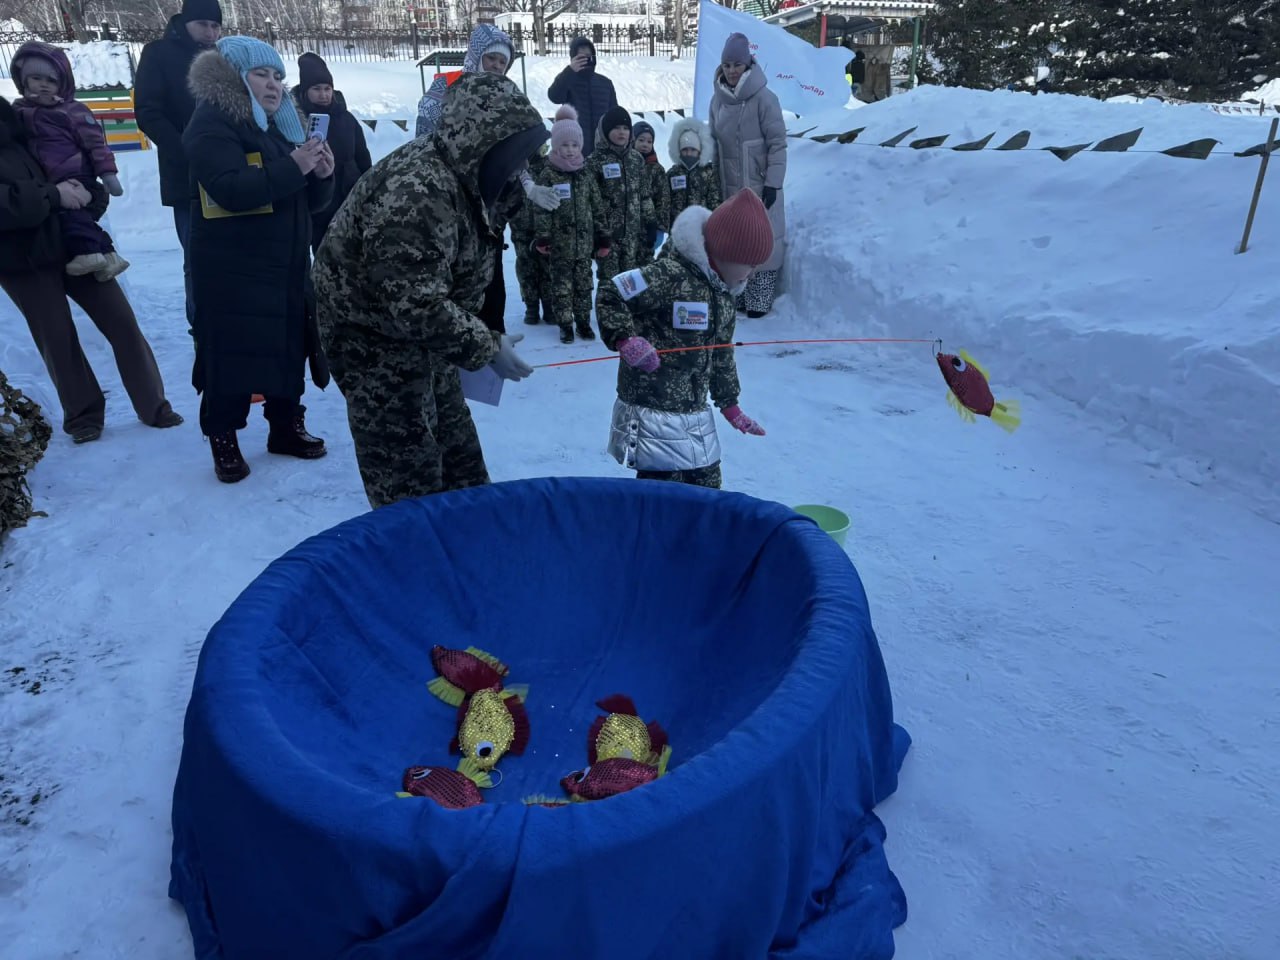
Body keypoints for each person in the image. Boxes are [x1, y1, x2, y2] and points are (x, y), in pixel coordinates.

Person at [313, 72, 540, 509]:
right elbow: (415, 304)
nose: (523, 165)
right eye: (516, 153)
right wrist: (485, 344)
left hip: (429, 334)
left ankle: (469, 537)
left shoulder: (470, 175)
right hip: (370, 337)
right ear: (484, 142)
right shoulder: (415, 192)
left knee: (459, 456)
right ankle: (414, 547)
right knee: (407, 469)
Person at [183, 36, 336, 483]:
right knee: (231, 352)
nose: (273, 85)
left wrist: (320, 176)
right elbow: (230, 190)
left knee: (288, 346)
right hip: (232, 268)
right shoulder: (211, 124)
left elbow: (304, 203)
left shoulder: (279, 126)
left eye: (277, 76)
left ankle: (285, 426)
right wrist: (295, 166)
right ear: (233, 77)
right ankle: (223, 436)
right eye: (260, 75)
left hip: (284, 263)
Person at [0, 96, 182, 444]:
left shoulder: (22, 118)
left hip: (72, 243)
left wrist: (91, 195)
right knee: (57, 338)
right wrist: (53, 195)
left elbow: (70, 163)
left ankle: (154, 405)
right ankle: (83, 417)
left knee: (122, 321)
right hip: (21, 260)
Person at [596, 188, 774, 490]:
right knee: (664, 493)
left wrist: (731, 407)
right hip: (653, 407)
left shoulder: (723, 295)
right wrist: (626, 340)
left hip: (693, 410)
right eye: (750, 264)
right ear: (725, 254)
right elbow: (611, 292)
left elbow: (721, 355)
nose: (753, 273)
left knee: (708, 485)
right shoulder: (668, 275)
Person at [415, 24, 558, 334]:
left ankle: (494, 337)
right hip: (451, 204)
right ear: (476, 55)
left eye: (502, 62)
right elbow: (425, 142)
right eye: (491, 58)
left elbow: (515, 149)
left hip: (491, 206)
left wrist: (528, 185)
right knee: (456, 278)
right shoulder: (445, 87)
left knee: (491, 276)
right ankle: (462, 340)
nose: (496, 66)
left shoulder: (507, 95)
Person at [134, 0, 222, 333]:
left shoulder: (223, 55)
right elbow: (148, 112)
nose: (210, 33)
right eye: (203, 24)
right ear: (185, 22)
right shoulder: (158, 54)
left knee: (232, 252)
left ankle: (231, 325)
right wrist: (187, 149)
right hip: (186, 176)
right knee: (197, 257)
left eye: (216, 26)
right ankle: (202, 329)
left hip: (229, 169)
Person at [9, 42, 129, 281]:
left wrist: (107, 174)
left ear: (62, 83)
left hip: (75, 172)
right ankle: (109, 255)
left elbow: (96, 143)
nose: (43, 85)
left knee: (70, 213)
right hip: (48, 177)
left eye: (51, 80)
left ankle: (88, 253)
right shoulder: (19, 111)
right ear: (23, 81)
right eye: (36, 78)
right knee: (80, 216)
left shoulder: (71, 111)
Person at [709, 32, 787, 318]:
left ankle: (760, 296)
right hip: (728, 185)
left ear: (748, 65)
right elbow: (712, 141)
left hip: (759, 183)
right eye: (727, 65)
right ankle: (739, 292)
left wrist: (773, 183)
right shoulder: (717, 100)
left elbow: (777, 144)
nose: (731, 71)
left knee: (763, 237)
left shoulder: (765, 98)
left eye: (737, 65)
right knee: (736, 239)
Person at [532, 104, 609, 344]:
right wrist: (543, 236)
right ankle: (565, 324)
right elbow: (541, 209)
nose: (570, 150)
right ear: (556, 145)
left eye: (575, 145)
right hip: (560, 246)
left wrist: (602, 236)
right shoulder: (548, 174)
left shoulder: (585, 173)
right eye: (565, 145)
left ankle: (583, 322)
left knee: (584, 285)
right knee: (562, 288)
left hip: (584, 246)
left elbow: (597, 207)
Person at [293, 51, 371, 253]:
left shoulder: (347, 119)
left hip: (350, 198)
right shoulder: (296, 120)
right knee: (324, 253)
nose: (323, 94)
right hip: (318, 203)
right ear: (305, 91)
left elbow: (363, 157)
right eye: (316, 89)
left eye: (327, 88)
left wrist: (369, 190)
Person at [588, 105, 652, 288]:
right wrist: (598, 234)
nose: (621, 132)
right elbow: (591, 202)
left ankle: (628, 307)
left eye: (625, 128)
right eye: (616, 128)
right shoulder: (595, 161)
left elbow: (645, 194)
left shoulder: (636, 159)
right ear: (606, 131)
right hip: (607, 238)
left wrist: (650, 222)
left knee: (631, 282)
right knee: (609, 282)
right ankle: (609, 307)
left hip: (633, 236)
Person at [547, 37, 617, 152]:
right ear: (573, 58)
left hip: (602, 148)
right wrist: (570, 71)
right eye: (581, 57)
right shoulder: (567, 80)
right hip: (575, 148)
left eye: (588, 56)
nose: (585, 60)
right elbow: (554, 97)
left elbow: (614, 114)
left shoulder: (605, 83)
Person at [665, 117, 721, 235]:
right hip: (677, 230)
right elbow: (665, 201)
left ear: (700, 151)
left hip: (702, 231)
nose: (689, 153)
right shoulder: (672, 174)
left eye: (693, 149)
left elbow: (715, 202)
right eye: (685, 149)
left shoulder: (709, 173)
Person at [630, 120, 667, 262]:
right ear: (632, 140)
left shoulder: (657, 169)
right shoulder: (626, 165)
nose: (645, 144)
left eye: (649, 141)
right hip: (628, 227)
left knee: (645, 263)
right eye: (641, 140)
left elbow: (663, 199)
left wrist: (660, 227)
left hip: (650, 228)